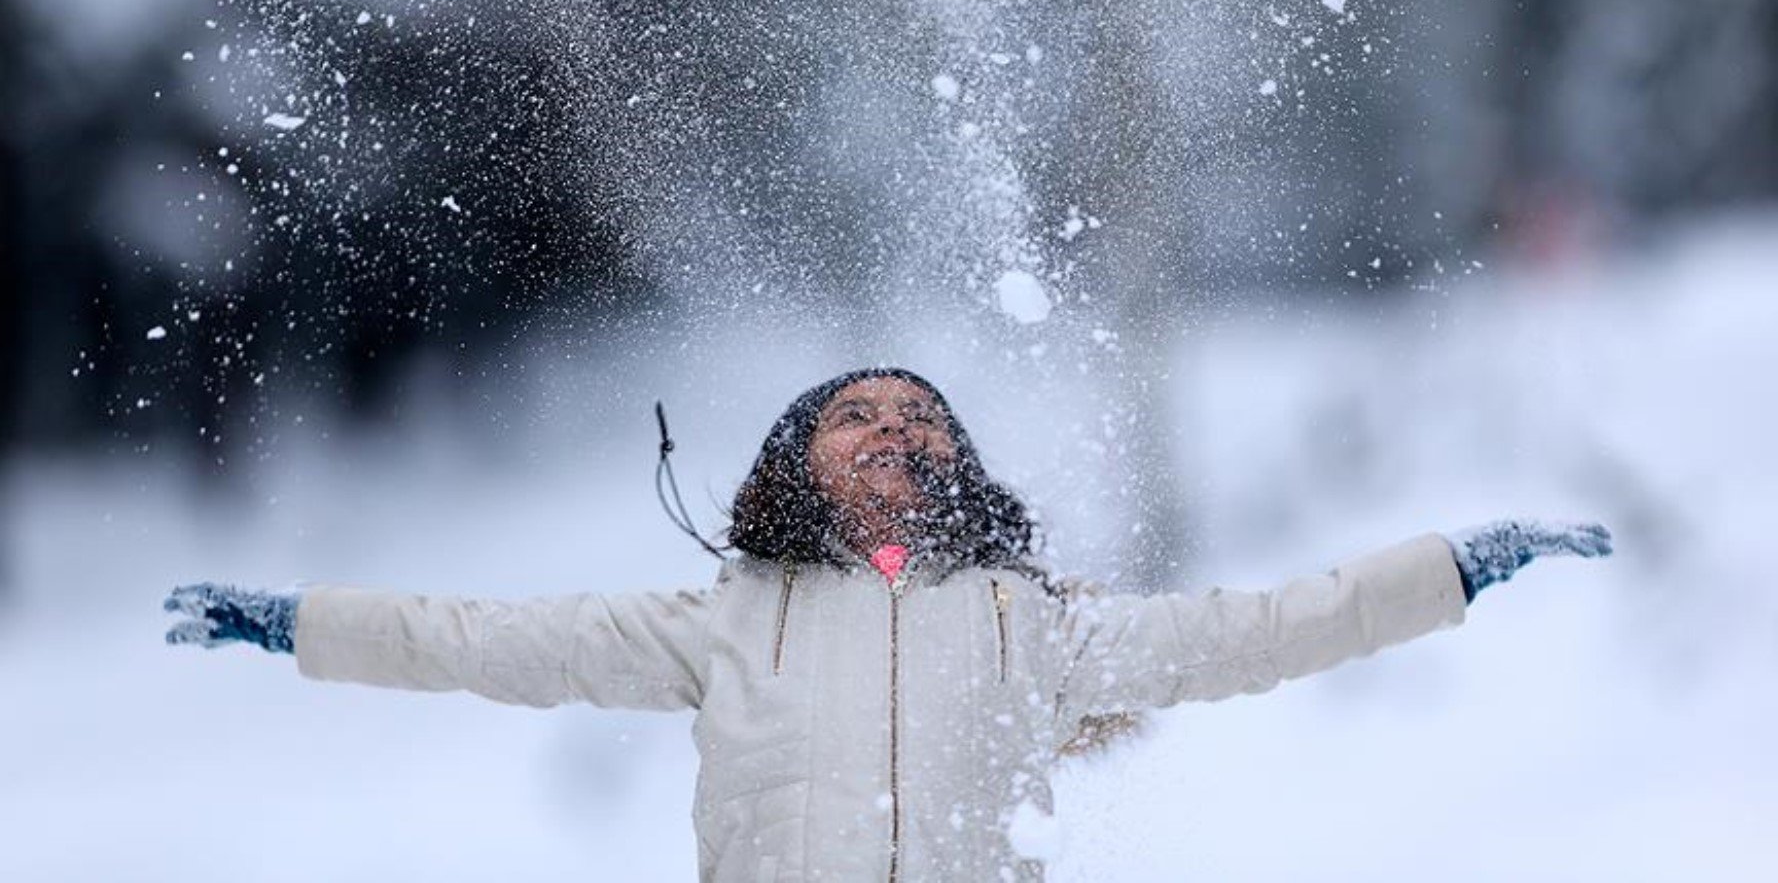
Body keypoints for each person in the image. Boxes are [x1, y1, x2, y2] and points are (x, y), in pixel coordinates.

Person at [164, 367, 1612, 882]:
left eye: (921, 417)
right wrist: (299, 622)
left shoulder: (1031, 628)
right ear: (796, 460)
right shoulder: (720, 620)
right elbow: (480, 637)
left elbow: (1262, 628)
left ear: (957, 466)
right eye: (855, 414)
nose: (892, 429)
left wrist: (1451, 569)